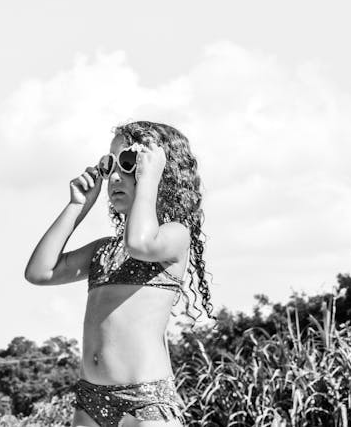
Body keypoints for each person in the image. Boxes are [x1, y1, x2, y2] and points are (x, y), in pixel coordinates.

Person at [25, 120, 214, 427]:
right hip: (91, 400)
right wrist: (77, 205)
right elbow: (40, 272)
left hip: (145, 400)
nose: (114, 176)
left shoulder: (174, 236)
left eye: (128, 162)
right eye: (109, 163)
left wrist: (149, 179)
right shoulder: (104, 250)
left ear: (159, 171)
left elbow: (140, 242)